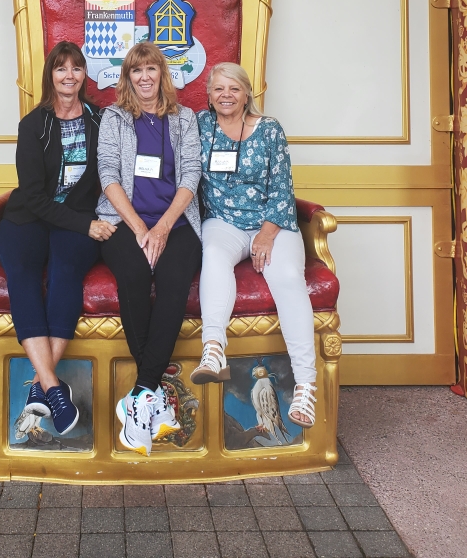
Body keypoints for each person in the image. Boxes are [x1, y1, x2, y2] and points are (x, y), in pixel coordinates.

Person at [0, 41, 116, 435]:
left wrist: (86, 224)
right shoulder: (33, 124)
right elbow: (32, 196)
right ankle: (52, 386)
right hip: (27, 218)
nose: (69, 75)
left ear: (84, 75)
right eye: (61, 68)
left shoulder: (100, 121)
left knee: (66, 270)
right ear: (51, 74)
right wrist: (85, 225)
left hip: (74, 221)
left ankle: (40, 388)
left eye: (76, 68)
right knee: (22, 273)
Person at [191, 62, 317, 428]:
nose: (226, 95)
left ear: (247, 93)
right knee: (214, 255)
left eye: (234, 88)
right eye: (219, 89)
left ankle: (305, 385)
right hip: (224, 222)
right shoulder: (200, 125)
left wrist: (266, 233)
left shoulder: (270, 129)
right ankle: (213, 350)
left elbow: (282, 188)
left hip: (271, 223)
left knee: (288, 277)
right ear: (209, 95)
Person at [96, 41, 203, 455]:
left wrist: (162, 228)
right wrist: (141, 228)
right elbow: (108, 173)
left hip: (176, 222)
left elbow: (190, 174)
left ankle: (140, 394)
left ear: (162, 74)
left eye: (151, 69)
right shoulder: (114, 118)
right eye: (136, 70)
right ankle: (151, 396)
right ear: (128, 77)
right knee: (135, 274)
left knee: (175, 281)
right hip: (124, 220)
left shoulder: (184, 118)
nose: (144, 77)